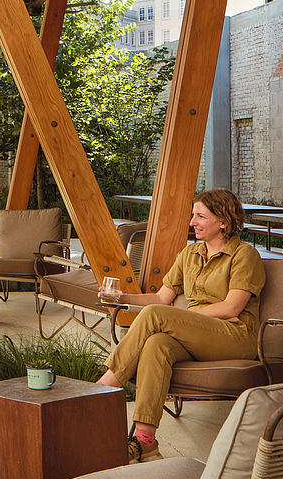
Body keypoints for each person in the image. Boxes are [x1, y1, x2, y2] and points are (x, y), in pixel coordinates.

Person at [96, 188, 265, 463]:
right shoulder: (189, 255)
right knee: (156, 344)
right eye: (193, 215)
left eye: (200, 216)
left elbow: (231, 307)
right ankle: (145, 441)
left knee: (155, 315)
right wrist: (121, 298)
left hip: (235, 334)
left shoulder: (245, 255)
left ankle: (101, 391)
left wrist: (186, 318)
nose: (192, 222)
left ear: (223, 221)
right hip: (197, 334)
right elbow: (162, 297)